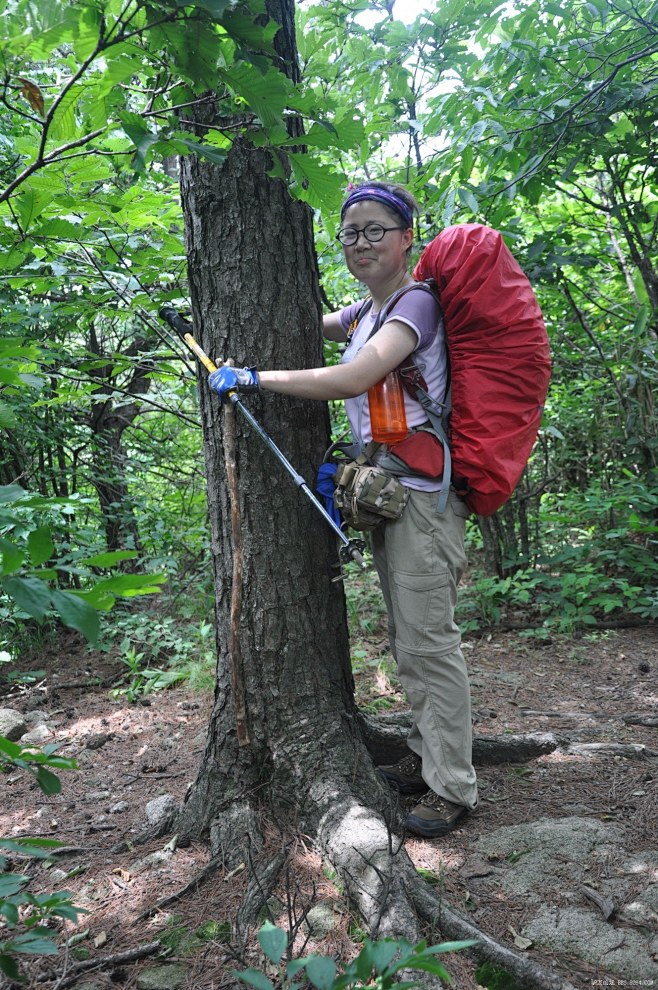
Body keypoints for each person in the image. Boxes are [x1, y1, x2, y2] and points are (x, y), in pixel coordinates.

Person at [208, 181, 478, 838]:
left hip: (422, 502)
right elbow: (297, 323)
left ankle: (453, 789)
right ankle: (428, 760)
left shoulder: (414, 304)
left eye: (375, 229)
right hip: (391, 498)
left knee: (427, 646)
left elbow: (355, 378)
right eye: (350, 231)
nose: (361, 242)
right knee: (410, 644)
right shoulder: (367, 310)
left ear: (407, 235)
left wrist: (254, 379)